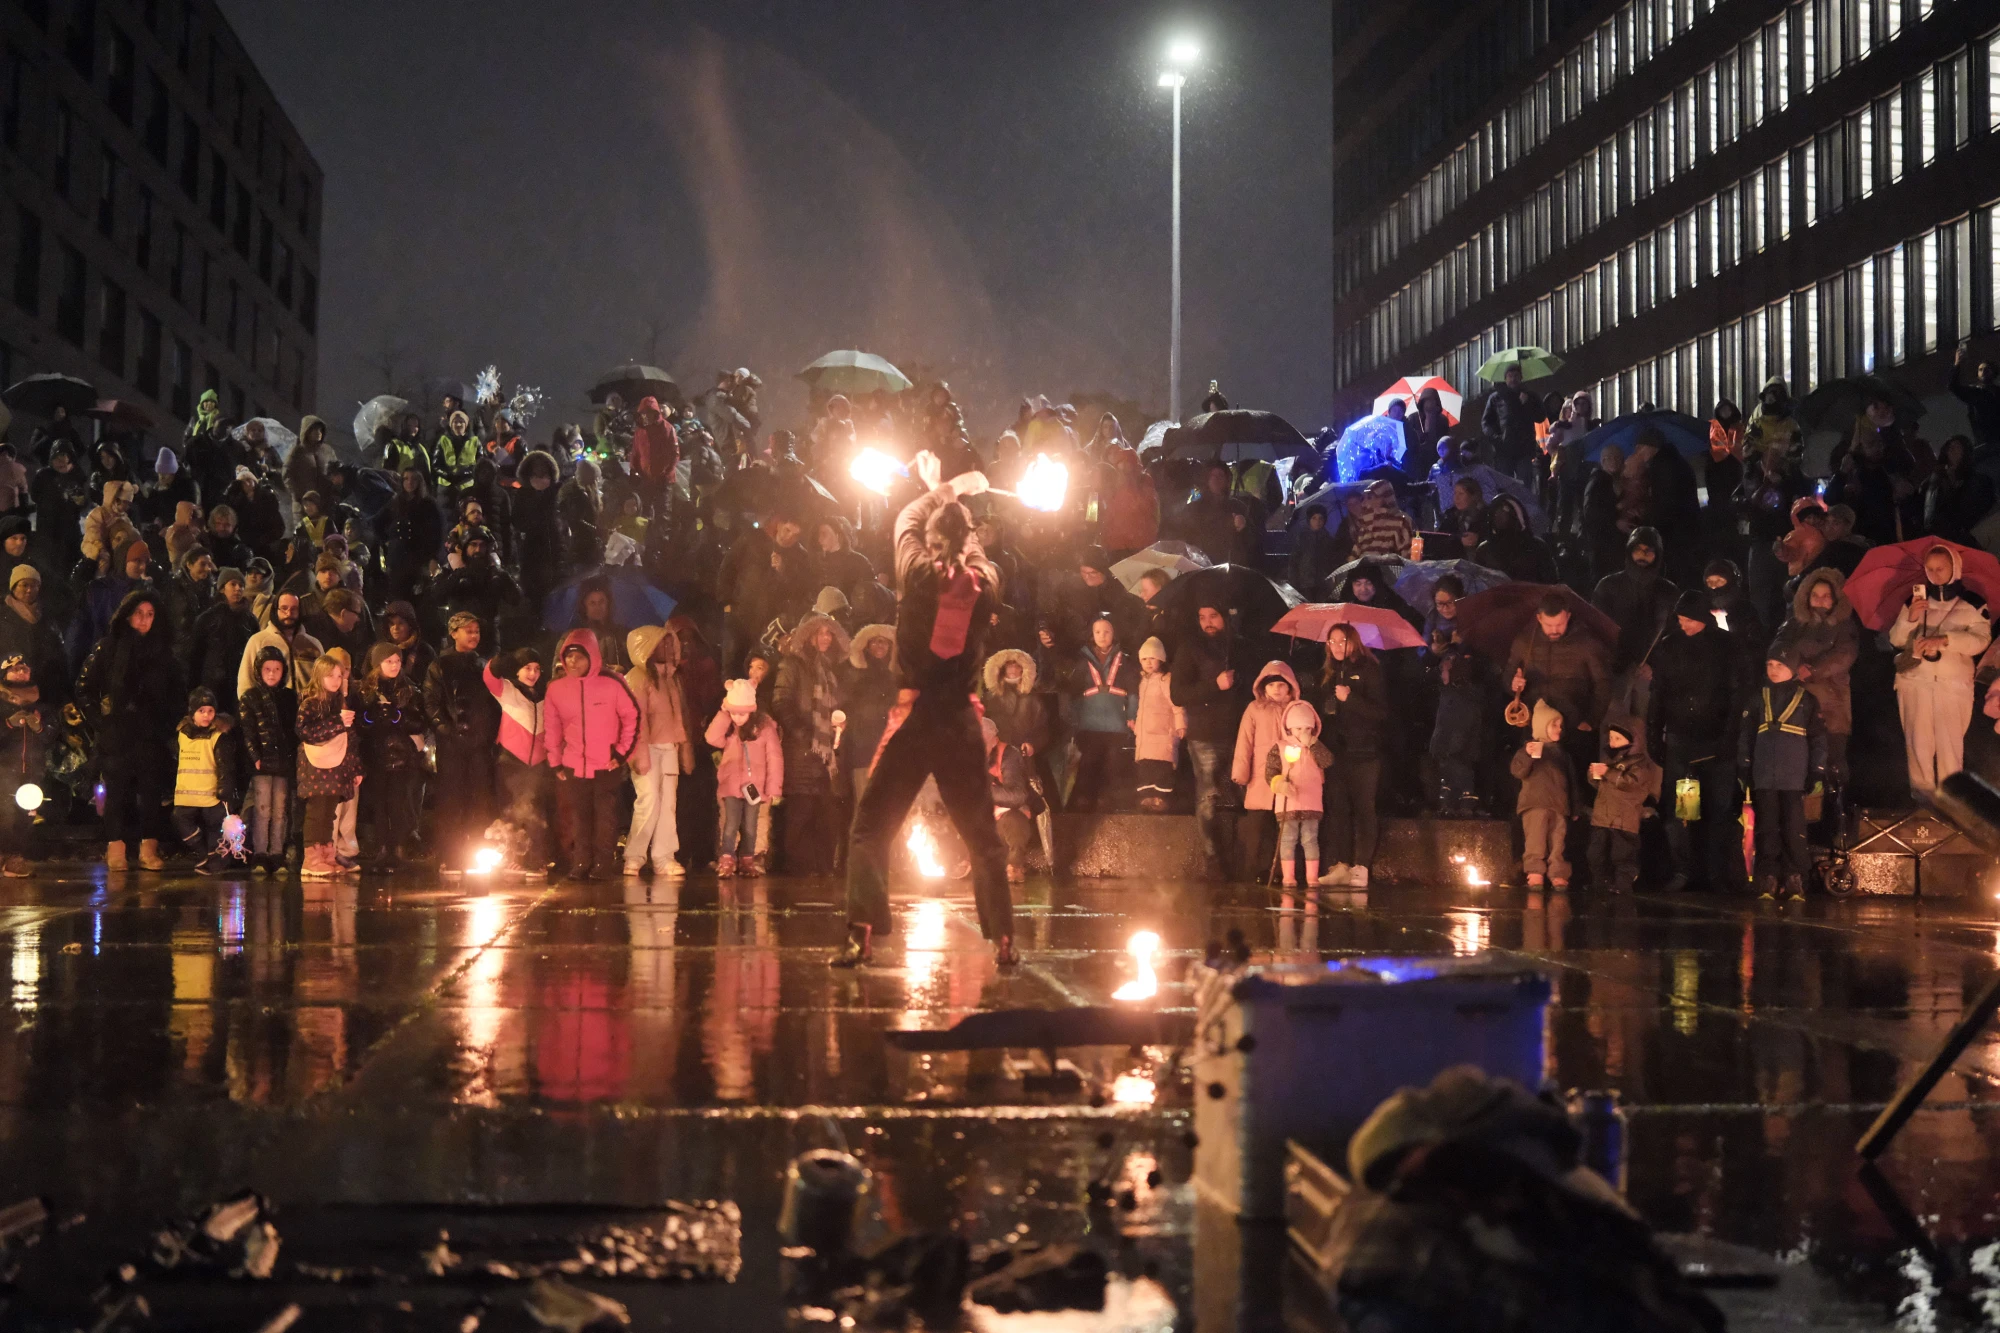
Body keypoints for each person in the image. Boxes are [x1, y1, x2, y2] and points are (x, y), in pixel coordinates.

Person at [834, 450, 1013, 968]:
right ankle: (1004, 939)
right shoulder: (985, 582)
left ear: (933, 544)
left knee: (870, 829)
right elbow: (969, 550)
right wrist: (958, 502)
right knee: (982, 838)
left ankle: (861, 933)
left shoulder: (914, 574)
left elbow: (905, 521)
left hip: (916, 720)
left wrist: (941, 488)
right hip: (958, 721)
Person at [77, 588, 183, 870]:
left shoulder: (164, 653)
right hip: (117, 733)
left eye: (150, 614)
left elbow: (176, 694)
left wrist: (166, 725)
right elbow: (84, 688)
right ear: (126, 615)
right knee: (116, 792)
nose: (144, 620)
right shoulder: (108, 648)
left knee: (151, 792)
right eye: (138, 613)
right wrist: (100, 721)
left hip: (150, 733)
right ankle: (116, 849)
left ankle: (149, 849)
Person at [1649, 590, 1744, 893]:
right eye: (1680, 619)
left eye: (1688, 620)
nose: (1683, 625)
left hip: (1717, 744)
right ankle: (1683, 870)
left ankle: (1716, 873)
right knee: (1684, 810)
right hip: (1684, 744)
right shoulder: (1670, 647)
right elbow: (1659, 694)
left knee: (1718, 810)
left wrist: (1729, 737)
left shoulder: (1727, 647)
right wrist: (1655, 734)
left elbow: (1735, 694)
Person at [1889, 544, 1991, 796]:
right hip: (1915, 682)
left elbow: (1980, 641)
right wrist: (1910, 617)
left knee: (1950, 748)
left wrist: (1946, 640)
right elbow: (1896, 640)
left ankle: (1952, 807)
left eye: (1940, 569)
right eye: (1930, 569)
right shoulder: (1915, 601)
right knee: (1918, 746)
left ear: (1954, 568)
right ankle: (1923, 810)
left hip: (1952, 685)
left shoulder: (1973, 603)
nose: (1935, 574)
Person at [543, 629, 638, 880]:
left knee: (605, 818)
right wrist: (555, 761)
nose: (573, 662)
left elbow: (632, 717)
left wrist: (621, 752)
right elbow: (552, 727)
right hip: (574, 763)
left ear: (593, 656)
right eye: (569, 656)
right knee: (579, 816)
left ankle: (603, 864)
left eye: (580, 656)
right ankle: (581, 861)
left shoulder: (613, 682)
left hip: (606, 763)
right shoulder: (557, 689)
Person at [1171, 602, 1251, 875]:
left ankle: (1237, 857)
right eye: (1202, 617)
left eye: (1213, 616)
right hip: (1205, 734)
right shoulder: (1190, 648)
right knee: (1207, 797)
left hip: (1240, 732)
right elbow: (1178, 694)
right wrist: (1213, 685)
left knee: (1237, 797)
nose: (1207, 622)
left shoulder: (1240, 646)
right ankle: (1212, 858)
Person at [1740, 648, 1826, 901]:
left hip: (1794, 776)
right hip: (1764, 774)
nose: (1774, 669)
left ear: (1793, 668)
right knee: (1767, 827)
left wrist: (1816, 771)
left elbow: (1818, 738)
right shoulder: (1757, 697)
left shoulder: (1807, 700)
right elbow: (1746, 735)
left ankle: (1795, 876)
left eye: (1780, 664)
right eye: (1770, 664)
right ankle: (1768, 877)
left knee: (1793, 827)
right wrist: (1744, 766)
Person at [773, 612, 849, 875]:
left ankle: (822, 869)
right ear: (809, 636)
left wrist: (838, 725)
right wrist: (803, 733)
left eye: (829, 633)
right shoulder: (792, 665)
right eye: (820, 632)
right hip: (801, 751)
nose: (826, 638)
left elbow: (834, 705)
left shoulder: (830, 668)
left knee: (825, 813)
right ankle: (797, 874)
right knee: (800, 812)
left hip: (825, 754)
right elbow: (782, 702)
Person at [1771, 569, 1858, 787]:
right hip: (1797, 704)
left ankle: (1836, 809)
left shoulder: (1844, 625)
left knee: (1832, 759)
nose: (1820, 600)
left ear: (1835, 598)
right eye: (1815, 595)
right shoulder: (1794, 624)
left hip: (1832, 704)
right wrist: (1792, 666)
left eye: (1826, 595)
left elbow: (1844, 654)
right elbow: (1778, 647)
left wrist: (1814, 670)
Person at [426, 612, 500, 872]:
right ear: (454, 633)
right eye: (468, 631)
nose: (474, 636)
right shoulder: (440, 665)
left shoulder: (483, 665)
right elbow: (431, 702)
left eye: (476, 631)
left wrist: (487, 735)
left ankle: (476, 850)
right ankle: (450, 853)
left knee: (479, 798)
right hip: (452, 745)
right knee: (452, 800)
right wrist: (445, 729)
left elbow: (493, 705)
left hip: (479, 745)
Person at [1314, 623, 1386, 887]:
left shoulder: (1369, 670)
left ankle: (1362, 866)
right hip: (1336, 752)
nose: (1336, 646)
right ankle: (1340, 863)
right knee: (1338, 809)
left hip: (1365, 752)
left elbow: (1381, 713)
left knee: (1364, 808)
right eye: (1331, 642)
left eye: (1342, 641)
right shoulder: (1329, 673)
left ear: (1354, 642)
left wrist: (1350, 699)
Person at [624, 625, 691, 879]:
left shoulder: (671, 678)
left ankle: (664, 857)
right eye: (659, 644)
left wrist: (683, 748)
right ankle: (634, 856)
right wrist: (639, 754)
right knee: (648, 801)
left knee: (667, 805)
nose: (665, 648)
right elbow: (635, 721)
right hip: (648, 749)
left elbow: (678, 717)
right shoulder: (638, 678)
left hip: (668, 747)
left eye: (668, 643)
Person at [354, 642, 427, 869]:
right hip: (374, 755)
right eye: (389, 661)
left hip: (400, 756)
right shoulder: (364, 690)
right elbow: (358, 723)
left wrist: (397, 716)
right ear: (378, 664)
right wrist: (371, 716)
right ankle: (382, 846)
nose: (394, 666)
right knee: (379, 803)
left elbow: (419, 722)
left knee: (398, 802)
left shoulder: (410, 689)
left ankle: (398, 847)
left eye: (397, 661)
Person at [1230, 661, 1302, 883]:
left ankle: (1282, 872)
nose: (1277, 689)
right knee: (1259, 828)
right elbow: (1245, 742)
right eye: (1272, 685)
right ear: (1263, 687)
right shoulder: (1254, 709)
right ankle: (1257, 870)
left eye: (1282, 684)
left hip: (1291, 776)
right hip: (1260, 777)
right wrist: (1241, 773)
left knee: (1285, 828)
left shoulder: (1298, 710)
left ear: (1290, 687)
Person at [484, 646, 550, 876]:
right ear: (517, 671)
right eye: (526, 668)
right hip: (511, 760)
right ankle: (510, 857)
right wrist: (505, 658)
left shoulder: (545, 696)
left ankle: (534, 859)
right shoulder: (508, 690)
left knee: (535, 813)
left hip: (538, 763)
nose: (532, 673)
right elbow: (490, 676)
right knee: (511, 811)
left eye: (536, 669)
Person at [1062, 614, 1138, 812]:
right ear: (1091, 635)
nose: (1102, 636)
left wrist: (1132, 716)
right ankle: (1085, 798)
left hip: (1116, 724)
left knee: (1113, 764)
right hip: (1089, 724)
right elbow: (1074, 694)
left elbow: (1133, 693)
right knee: (1088, 762)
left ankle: (1108, 799)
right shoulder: (1081, 663)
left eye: (1107, 631)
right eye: (1097, 632)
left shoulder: (1126, 662)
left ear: (1115, 634)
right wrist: (1074, 719)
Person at [708, 677, 782, 878]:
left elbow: (774, 757)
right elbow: (712, 738)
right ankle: (727, 857)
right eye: (734, 712)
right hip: (732, 785)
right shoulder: (730, 726)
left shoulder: (765, 727)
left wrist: (774, 788)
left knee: (751, 825)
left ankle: (747, 858)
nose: (738, 718)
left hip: (755, 787)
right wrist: (724, 714)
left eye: (742, 713)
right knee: (731, 824)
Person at [295, 650, 360, 879]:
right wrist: (336, 722)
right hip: (316, 767)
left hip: (337, 767)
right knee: (317, 812)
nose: (336, 680)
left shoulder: (339, 704)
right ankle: (311, 859)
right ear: (319, 677)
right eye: (330, 675)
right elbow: (306, 732)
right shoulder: (310, 704)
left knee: (329, 813)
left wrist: (355, 768)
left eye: (339, 675)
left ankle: (327, 856)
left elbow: (349, 739)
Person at [1585, 716, 1660, 894]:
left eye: (1617, 738)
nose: (1613, 743)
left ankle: (1623, 885)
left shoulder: (1641, 765)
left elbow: (1630, 783)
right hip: (1603, 817)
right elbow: (1602, 786)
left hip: (1624, 819)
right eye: (1611, 738)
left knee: (1623, 855)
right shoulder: (1611, 761)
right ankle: (1600, 884)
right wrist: (1594, 775)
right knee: (1596, 854)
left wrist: (1608, 773)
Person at [239, 646, 296, 874]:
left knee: (280, 808)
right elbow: (248, 730)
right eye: (267, 669)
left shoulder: (289, 698)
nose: (272, 673)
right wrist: (255, 756)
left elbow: (292, 731)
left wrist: (291, 758)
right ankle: (260, 853)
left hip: (282, 763)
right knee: (262, 808)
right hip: (262, 763)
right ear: (258, 670)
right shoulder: (250, 698)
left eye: (277, 669)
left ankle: (277, 852)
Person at [171, 687, 242, 873]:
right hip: (186, 793)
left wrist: (225, 789)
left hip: (211, 793)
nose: (206, 716)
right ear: (192, 713)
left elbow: (225, 765)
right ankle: (204, 854)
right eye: (201, 711)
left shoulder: (218, 736)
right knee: (180, 819)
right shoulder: (182, 734)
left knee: (214, 826)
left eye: (210, 711)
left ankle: (214, 860)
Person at [1264, 700, 1331, 889]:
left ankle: (1312, 877)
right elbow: (1270, 772)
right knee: (1287, 840)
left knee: (1310, 839)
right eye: (1298, 728)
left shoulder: (1316, 748)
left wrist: (1314, 744)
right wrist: (1280, 784)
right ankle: (1288, 876)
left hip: (1311, 803)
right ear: (1289, 728)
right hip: (1288, 804)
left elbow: (1327, 762)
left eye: (1307, 728)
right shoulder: (1280, 747)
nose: (1303, 732)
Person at [1591, 527, 1678, 670]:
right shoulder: (1608, 586)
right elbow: (1597, 627)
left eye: (1649, 550)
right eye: (1638, 549)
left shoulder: (1668, 592)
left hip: (1656, 671)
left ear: (1657, 554)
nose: (1643, 555)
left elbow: (1675, 634)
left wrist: (1657, 664)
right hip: (1614, 667)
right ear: (1629, 551)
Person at [1511, 701, 1576, 889]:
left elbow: (1571, 781)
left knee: (1558, 843)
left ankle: (1558, 873)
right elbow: (1518, 771)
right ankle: (1535, 872)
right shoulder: (1529, 749)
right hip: (1535, 803)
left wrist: (1575, 805)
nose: (1559, 729)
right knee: (1535, 840)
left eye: (1560, 725)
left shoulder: (1562, 754)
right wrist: (1527, 755)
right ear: (1541, 727)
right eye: (1554, 725)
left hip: (1559, 805)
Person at [0, 655, 47, 876]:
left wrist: (39, 728)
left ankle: (15, 857)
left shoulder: (39, 698)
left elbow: (52, 732)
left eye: (25, 669)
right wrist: (8, 723)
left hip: (31, 768)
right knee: (5, 813)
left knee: (25, 814)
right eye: (15, 669)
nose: (21, 673)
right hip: (4, 767)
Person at [1132, 637, 1184, 812]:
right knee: (1147, 767)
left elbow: (1176, 704)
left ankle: (1161, 799)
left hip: (1163, 733)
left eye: (1152, 658)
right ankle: (1147, 797)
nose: (1148, 662)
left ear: (1161, 659)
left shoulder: (1165, 680)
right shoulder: (1142, 682)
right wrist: (1135, 724)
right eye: (1144, 659)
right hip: (1145, 735)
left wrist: (1181, 725)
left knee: (1162, 767)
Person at [1922, 436, 1994, 546]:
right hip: (1953, 539)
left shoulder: (1978, 480)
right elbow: (1933, 515)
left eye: (1957, 446)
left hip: (1977, 533)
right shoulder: (1938, 480)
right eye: (1950, 447)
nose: (1952, 449)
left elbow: (1970, 510)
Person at [1480, 365, 1548, 479]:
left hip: (1524, 449)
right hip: (1503, 450)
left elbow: (1541, 417)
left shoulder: (1530, 396)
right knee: (1505, 484)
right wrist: (1496, 438)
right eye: (1510, 376)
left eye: (1516, 376)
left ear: (1521, 377)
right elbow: (1486, 422)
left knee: (1524, 483)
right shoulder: (1496, 398)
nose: (1513, 379)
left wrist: (1527, 403)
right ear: (1505, 379)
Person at [1349, 479, 1414, 559]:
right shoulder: (1367, 522)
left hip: (1389, 568)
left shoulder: (1400, 521)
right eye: (1364, 498)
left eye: (1370, 497)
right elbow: (1356, 552)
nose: (1364, 502)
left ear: (1383, 498)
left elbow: (1407, 556)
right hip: (1364, 568)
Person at [1288, 505, 1342, 596]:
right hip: (1304, 583)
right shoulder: (1301, 537)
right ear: (1309, 519)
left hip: (1323, 583)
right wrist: (1294, 583)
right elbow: (1294, 561)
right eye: (1314, 518)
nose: (1318, 522)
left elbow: (1331, 561)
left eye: (1321, 518)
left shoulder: (1327, 538)